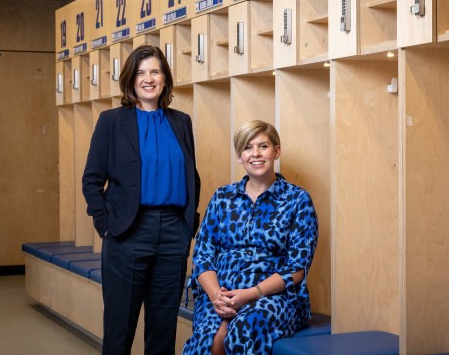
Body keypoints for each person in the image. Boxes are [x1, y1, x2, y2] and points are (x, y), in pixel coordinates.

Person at [82, 44, 200, 355]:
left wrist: (190, 223)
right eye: (141, 72)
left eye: (155, 72)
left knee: (164, 328)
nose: (148, 79)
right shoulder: (111, 121)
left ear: (165, 79)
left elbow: (191, 174)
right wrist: (105, 224)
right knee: (120, 327)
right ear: (131, 80)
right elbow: (92, 179)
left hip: (174, 233)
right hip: (127, 232)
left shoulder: (181, 122)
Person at [182, 120, 318, 355]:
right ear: (239, 155)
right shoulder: (223, 197)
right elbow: (202, 257)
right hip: (222, 292)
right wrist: (216, 296)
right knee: (210, 338)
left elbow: (296, 268)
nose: (255, 154)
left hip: (274, 297)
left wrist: (250, 294)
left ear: (276, 151)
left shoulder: (297, 200)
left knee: (240, 331)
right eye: (247, 147)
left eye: (263, 146)